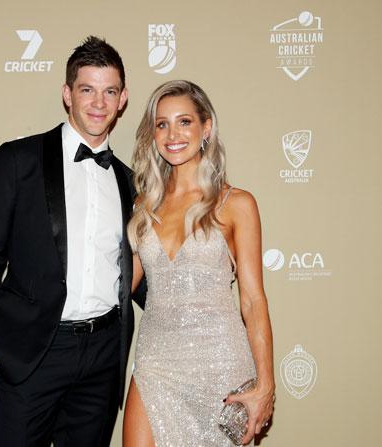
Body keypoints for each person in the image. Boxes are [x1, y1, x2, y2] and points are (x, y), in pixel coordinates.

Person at [0, 36, 144, 446]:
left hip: (103, 355)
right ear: (67, 94)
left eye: (109, 91)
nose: (98, 102)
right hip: (33, 350)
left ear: (122, 100)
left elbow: (138, 272)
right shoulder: (18, 160)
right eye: (87, 89)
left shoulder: (130, 181)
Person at [122, 80, 275, 446]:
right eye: (161, 124)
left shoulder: (236, 204)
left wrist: (266, 383)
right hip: (156, 364)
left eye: (184, 122)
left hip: (220, 365)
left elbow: (252, 300)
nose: (172, 134)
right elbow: (118, 288)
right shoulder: (143, 207)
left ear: (206, 128)